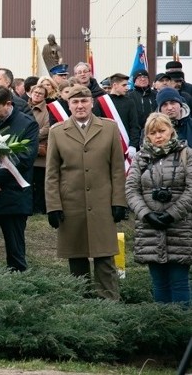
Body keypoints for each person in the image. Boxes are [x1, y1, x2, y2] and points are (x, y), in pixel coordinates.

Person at [45, 85, 127, 300]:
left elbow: (117, 169)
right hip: (71, 203)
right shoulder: (57, 132)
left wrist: (119, 201)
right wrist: (53, 206)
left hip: (102, 202)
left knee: (104, 258)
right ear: (68, 105)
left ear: (92, 102)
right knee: (77, 257)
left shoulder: (109, 128)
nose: (80, 106)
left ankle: (109, 304)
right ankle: (81, 305)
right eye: (75, 102)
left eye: (84, 101)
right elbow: (52, 173)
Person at [125, 113, 191, 305]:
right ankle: (162, 327)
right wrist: (146, 214)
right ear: (147, 135)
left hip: (180, 227)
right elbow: (131, 190)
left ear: (171, 131)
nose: (158, 136)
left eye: (162, 131)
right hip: (149, 228)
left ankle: (181, 330)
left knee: (179, 282)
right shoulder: (140, 157)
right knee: (159, 283)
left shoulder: (186, 154)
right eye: (153, 133)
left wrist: (172, 214)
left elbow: (190, 190)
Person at [0, 86, 39, 272]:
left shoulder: (27, 124)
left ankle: (17, 288)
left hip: (13, 197)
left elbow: (24, 161)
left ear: (8, 104)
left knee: (15, 251)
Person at [28, 83, 51, 214]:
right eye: (35, 92)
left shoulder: (47, 110)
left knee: (40, 182)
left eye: (40, 93)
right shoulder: (24, 107)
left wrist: (31, 137)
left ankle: (40, 207)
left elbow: (47, 128)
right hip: (26, 150)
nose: (37, 95)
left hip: (40, 150)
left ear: (44, 96)